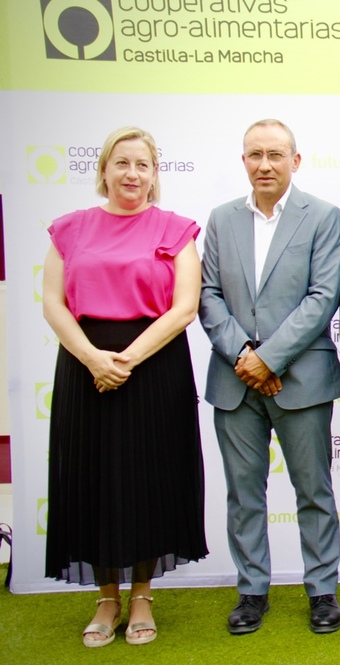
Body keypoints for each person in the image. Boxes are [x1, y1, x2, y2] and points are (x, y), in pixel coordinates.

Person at [42, 126, 207, 647]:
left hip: (153, 368)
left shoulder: (176, 229)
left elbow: (184, 307)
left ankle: (141, 595)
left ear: (155, 175)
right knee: (92, 476)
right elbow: (53, 303)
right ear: (104, 171)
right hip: (84, 366)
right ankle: (106, 598)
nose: (131, 174)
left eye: (142, 164)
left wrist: (127, 359)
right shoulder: (69, 229)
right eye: (122, 163)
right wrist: (94, 357)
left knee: (148, 479)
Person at [199, 119, 340, 635]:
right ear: (243, 161)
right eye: (254, 154)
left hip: (301, 380)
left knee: (314, 490)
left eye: (275, 155)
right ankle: (251, 590)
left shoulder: (324, 217)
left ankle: (323, 590)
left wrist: (271, 358)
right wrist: (245, 353)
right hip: (233, 379)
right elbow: (209, 294)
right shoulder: (220, 220)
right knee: (244, 494)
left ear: (295, 160)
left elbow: (323, 296)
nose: (264, 164)